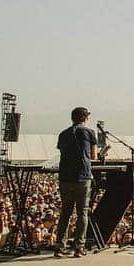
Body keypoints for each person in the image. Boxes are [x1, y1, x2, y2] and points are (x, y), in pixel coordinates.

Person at [55, 106, 98, 258]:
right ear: (85, 118)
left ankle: (60, 247)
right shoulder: (89, 132)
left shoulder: (63, 134)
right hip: (82, 177)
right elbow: (93, 156)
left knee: (65, 212)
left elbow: (63, 152)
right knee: (82, 212)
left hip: (65, 177)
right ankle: (79, 248)